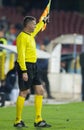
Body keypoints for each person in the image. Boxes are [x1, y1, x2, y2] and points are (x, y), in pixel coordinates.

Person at [13, 16, 51, 128]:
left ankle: (38, 120)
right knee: (24, 92)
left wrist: (43, 21)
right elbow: (21, 56)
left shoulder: (30, 35)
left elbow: (39, 28)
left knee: (40, 91)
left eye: (35, 24)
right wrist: (24, 71)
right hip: (25, 66)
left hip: (34, 66)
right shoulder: (21, 37)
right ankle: (17, 120)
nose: (35, 26)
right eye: (33, 24)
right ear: (28, 25)